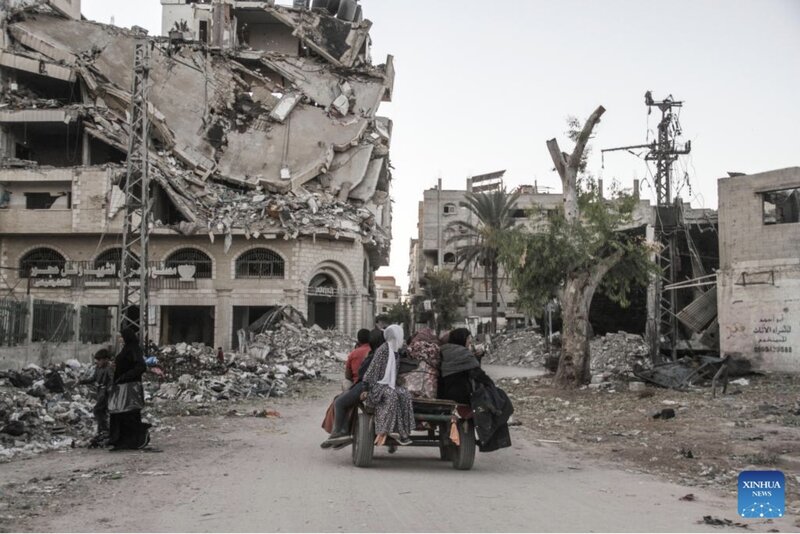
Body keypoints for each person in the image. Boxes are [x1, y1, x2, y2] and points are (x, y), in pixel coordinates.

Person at [361, 324, 414, 446]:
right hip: (377, 386)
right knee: (392, 395)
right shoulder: (383, 350)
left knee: (405, 394)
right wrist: (365, 387)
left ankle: (404, 431)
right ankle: (385, 429)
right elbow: (371, 370)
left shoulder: (396, 351)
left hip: (390, 384)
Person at [321, 329, 372, 449]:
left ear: (358, 340)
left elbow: (348, 376)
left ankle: (340, 431)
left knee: (339, 402)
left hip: (361, 386)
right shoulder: (377, 352)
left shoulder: (354, 353)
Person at [108, 328, 151, 451]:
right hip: (122, 386)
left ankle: (134, 440)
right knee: (121, 413)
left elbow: (141, 366)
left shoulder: (134, 349)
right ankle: (122, 441)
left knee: (129, 413)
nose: (120, 339)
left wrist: (125, 376)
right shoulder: (127, 349)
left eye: (121, 336)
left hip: (130, 387)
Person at [438, 327, 493, 405]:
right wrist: (491, 385)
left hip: (443, 394)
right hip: (461, 396)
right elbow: (478, 374)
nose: (470, 341)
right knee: (486, 402)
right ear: (462, 339)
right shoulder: (464, 354)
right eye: (468, 338)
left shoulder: (444, 351)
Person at [80, 348, 113, 444]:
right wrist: (81, 381)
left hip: (105, 393)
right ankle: (102, 431)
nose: (98, 362)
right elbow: (93, 378)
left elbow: (111, 380)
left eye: (100, 360)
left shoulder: (109, 368)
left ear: (106, 359)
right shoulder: (98, 368)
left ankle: (105, 430)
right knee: (101, 412)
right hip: (100, 392)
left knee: (98, 410)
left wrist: (109, 388)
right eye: (97, 360)